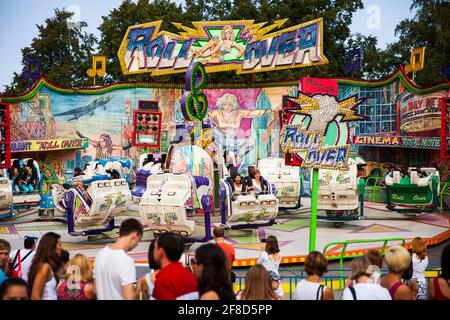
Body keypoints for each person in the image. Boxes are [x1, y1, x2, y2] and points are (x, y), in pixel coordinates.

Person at [94, 218, 143, 300]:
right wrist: (138, 287)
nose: (137, 244)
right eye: (139, 240)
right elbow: (129, 298)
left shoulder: (100, 254)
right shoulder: (125, 261)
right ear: (135, 235)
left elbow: (95, 290)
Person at [152, 232, 198, 300]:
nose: (153, 251)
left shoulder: (163, 281)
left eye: (155, 247)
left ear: (161, 251)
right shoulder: (191, 277)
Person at [28, 232, 63, 300]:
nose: (61, 248)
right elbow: (35, 295)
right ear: (52, 247)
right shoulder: (45, 267)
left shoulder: (48, 265)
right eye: (59, 245)